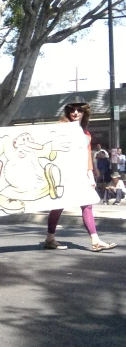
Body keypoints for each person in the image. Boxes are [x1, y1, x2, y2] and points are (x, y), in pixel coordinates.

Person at [44, 99, 116, 252]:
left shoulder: (86, 134)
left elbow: (86, 156)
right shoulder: (60, 128)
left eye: (79, 110)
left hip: (79, 174)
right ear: (68, 112)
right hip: (62, 173)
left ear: (84, 113)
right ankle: (50, 238)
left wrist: (90, 174)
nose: (75, 112)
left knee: (87, 204)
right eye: (72, 110)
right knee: (58, 205)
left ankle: (95, 240)